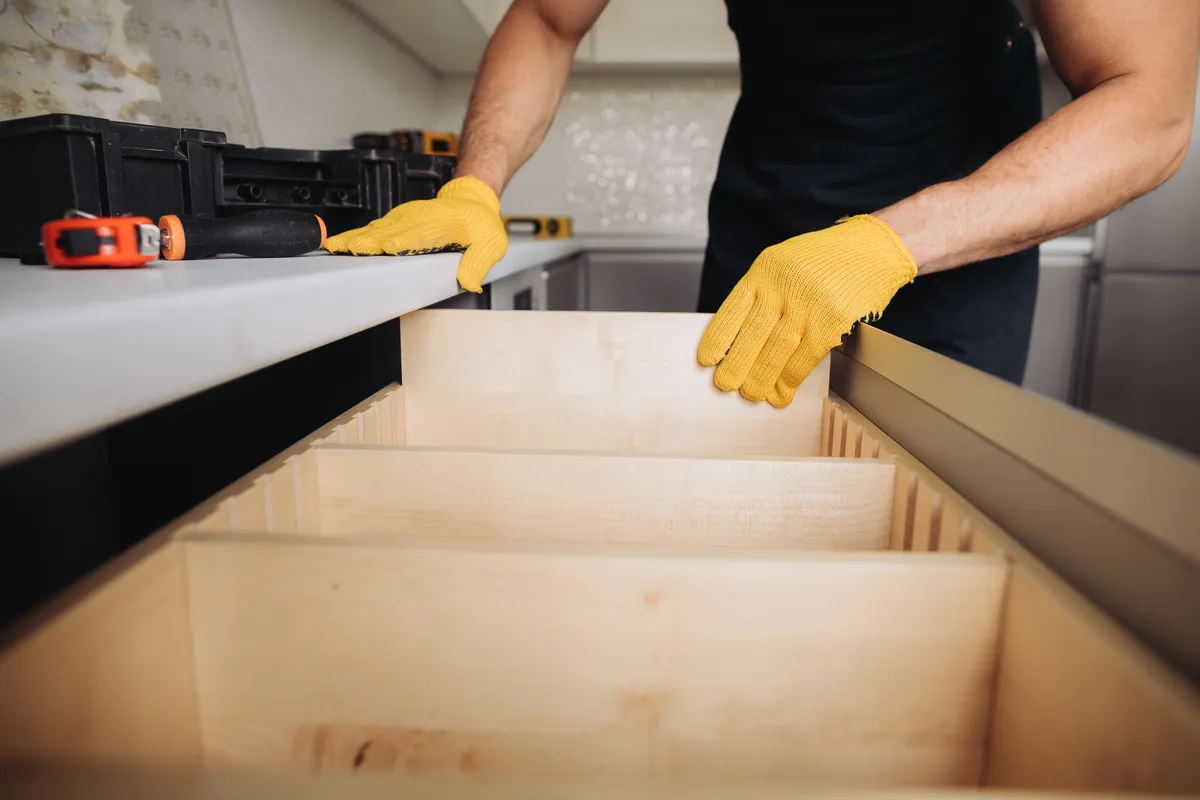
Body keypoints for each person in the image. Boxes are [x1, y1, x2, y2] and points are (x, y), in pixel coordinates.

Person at [325, 0, 1200, 408]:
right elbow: (549, 20)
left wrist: (882, 246)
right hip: (768, 216)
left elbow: (1151, 107)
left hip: (955, 245)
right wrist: (476, 182)